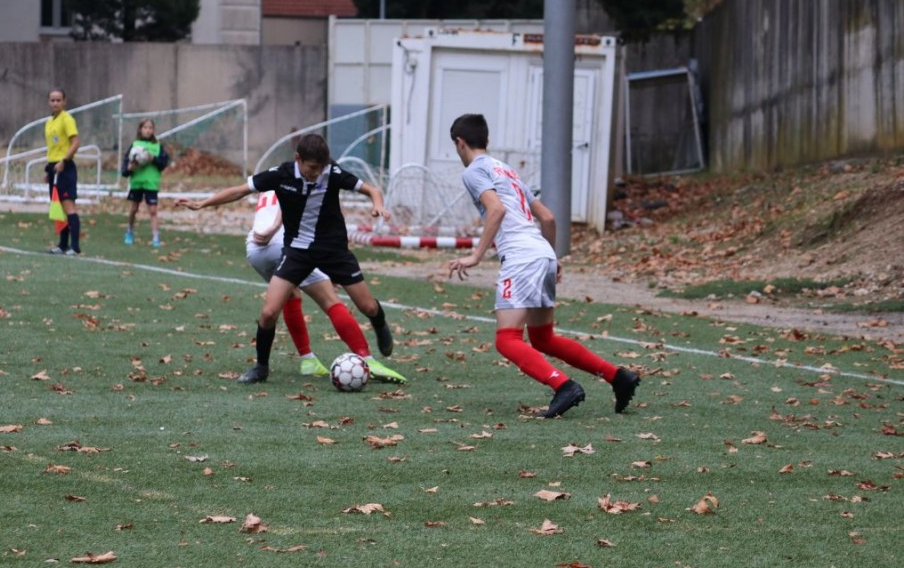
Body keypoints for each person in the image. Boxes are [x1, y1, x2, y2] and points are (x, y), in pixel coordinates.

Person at [446, 113, 639, 418]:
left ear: (460, 143)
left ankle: (563, 386)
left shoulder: (473, 171)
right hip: (540, 253)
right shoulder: (507, 171)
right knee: (543, 338)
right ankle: (618, 377)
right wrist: (552, 257)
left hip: (522, 258)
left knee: (507, 340)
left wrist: (476, 255)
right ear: (487, 139)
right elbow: (547, 217)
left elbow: (495, 210)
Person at [176, 133, 405, 385]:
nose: (317, 173)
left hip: (334, 250)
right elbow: (240, 191)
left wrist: (378, 205)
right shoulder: (281, 175)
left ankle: (380, 325)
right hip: (298, 251)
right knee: (268, 312)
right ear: (298, 159)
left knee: (368, 307)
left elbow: (371, 189)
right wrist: (202, 204)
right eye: (312, 168)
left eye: (321, 168)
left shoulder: (332, 172)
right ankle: (261, 368)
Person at [121, 118, 169, 248]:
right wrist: (128, 169)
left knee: (153, 210)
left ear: (153, 130)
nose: (148, 130)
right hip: (137, 182)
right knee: (134, 209)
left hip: (151, 182)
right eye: (145, 128)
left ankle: (155, 237)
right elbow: (125, 167)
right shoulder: (135, 145)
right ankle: (129, 231)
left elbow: (163, 163)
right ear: (140, 129)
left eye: (150, 128)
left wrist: (152, 158)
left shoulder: (157, 146)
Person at [44, 89, 82, 255]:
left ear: (64, 102)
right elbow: (53, 147)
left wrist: (64, 161)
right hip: (54, 168)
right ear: (48, 102)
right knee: (57, 207)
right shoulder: (49, 121)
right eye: (52, 100)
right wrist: (49, 169)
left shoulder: (67, 119)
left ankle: (75, 246)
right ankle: (62, 244)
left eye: (58, 100)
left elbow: (75, 143)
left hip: (65, 168)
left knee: (68, 206)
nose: (55, 103)